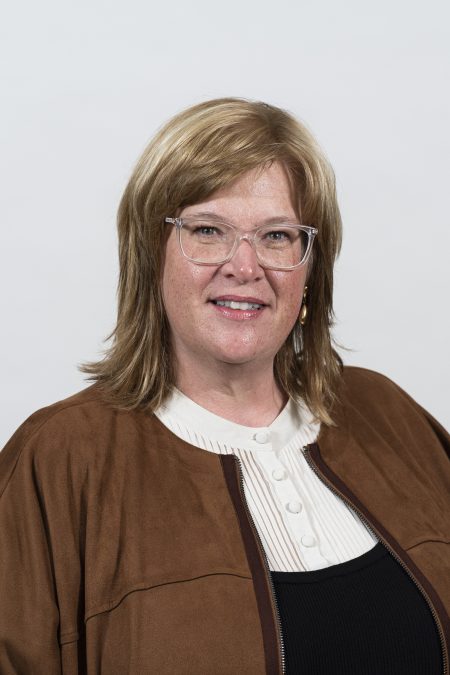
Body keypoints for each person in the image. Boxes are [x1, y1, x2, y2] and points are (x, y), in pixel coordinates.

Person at [0, 98, 448, 675]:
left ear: (311, 267)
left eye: (277, 236)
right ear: (150, 254)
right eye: (208, 230)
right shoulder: (61, 458)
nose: (245, 265)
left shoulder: (388, 415)